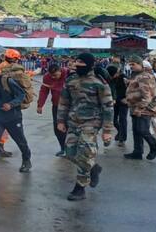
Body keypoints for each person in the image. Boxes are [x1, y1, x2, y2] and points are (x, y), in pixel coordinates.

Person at [56, 53, 113, 201]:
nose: (77, 65)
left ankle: (80, 188)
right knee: (69, 153)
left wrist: (107, 130)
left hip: (91, 123)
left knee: (85, 154)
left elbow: (108, 107)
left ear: (89, 64)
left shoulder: (99, 83)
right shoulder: (71, 80)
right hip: (73, 122)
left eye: (81, 63)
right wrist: (60, 121)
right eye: (77, 63)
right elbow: (64, 102)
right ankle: (93, 168)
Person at [124, 56, 156, 161]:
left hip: (144, 108)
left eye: (133, 64)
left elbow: (147, 96)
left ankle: (154, 148)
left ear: (140, 64)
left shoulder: (144, 76)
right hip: (135, 106)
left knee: (142, 130)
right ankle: (137, 152)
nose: (131, 67)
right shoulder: (137, 75)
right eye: (130, 64)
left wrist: (140, 108)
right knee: (136, 130)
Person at [38, 64, 68, 156]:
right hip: (56, 106)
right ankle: (63, 148)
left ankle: (73, 149)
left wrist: (55, 86)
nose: (53, 77)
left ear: (60, 70)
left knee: (70, 127)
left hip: (70, 106)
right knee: (57, 128)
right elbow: (44, 91)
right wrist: (40, 105)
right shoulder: (47, 77)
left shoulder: (69, 74)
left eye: (55, 75)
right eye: (52, 76)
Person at [106, 65, 129, 147]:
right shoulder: (109, 79)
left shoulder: (124, 78)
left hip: (123, 101)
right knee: (113, 119)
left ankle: (122, 139)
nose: (116, 75)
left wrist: (127, 99)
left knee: (123, 119)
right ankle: (120, 131)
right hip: (114, 101)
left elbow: (130, 89)